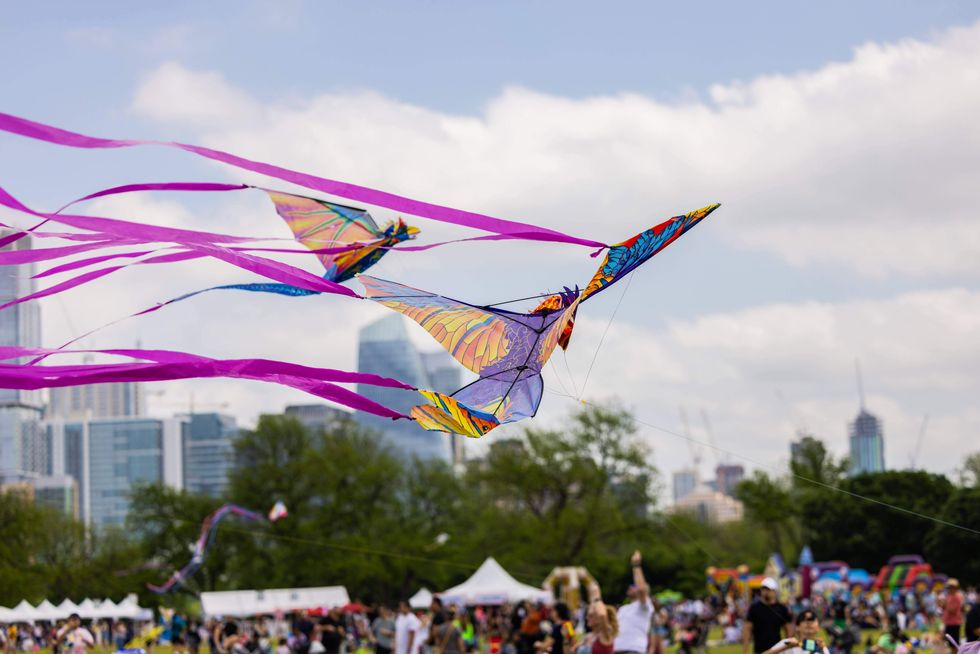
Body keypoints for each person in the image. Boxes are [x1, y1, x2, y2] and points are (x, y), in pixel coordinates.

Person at [614, 551, 652, 654]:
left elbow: (641, 589)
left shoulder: (644, 606)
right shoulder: (623, 609)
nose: (631, 587)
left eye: (634, 585)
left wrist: (636, 565)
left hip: (634, 651)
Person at [743, 579, 793, 654]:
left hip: (777, 650)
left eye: (769, 589)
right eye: (764, 589)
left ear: (774, 591)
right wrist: (746, 650)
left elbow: (788, 630)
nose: (766, 592)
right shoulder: (754, 608)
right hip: (759, 650)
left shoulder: (781, 608)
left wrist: (788, 648)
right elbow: (747, 629)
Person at [762, 610, 829, 654]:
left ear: (818, 628)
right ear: (797, 627)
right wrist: (785, 647)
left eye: (812, 619)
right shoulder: (787, 643)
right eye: (804, 619)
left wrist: (822, 651)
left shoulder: (821, 648)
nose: (809, 622)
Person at [585, 580, 619, 654]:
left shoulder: (606, 633)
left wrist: (597, 596)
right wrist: (566, 640)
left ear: (598, 619)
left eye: (591, 616)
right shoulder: (589, 636)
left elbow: (602, 614)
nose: (587, 618)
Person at [943, 580, 966, 649]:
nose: (949, 589)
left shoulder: (957, 597)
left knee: (954, 643)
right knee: (949, 642)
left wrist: (945, 605)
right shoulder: (949, 596)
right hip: (949, 622)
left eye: (951, 587)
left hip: (955, 623)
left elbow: (953, 610)